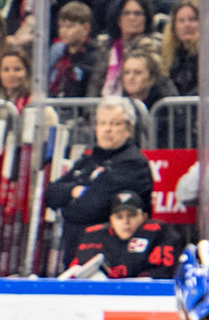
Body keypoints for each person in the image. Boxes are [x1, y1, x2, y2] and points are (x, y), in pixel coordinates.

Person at [44, 99, 155, 259]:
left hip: (114, 259)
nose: (107, 129)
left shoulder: (134, 163)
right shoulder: (89, 160)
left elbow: (90, 208)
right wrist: (75, 191)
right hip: (77, 254)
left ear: (129, 129)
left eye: (115, 124)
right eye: (102, 123)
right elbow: (51, 193)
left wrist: (66, 205)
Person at [66, 190, 176, 278]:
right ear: (111, 220)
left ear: (144, 217)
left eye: (132, 215)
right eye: (119, 217)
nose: (126, 222)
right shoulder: (94, 235)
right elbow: (74, 275)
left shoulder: (158, 233)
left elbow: (164, 275)